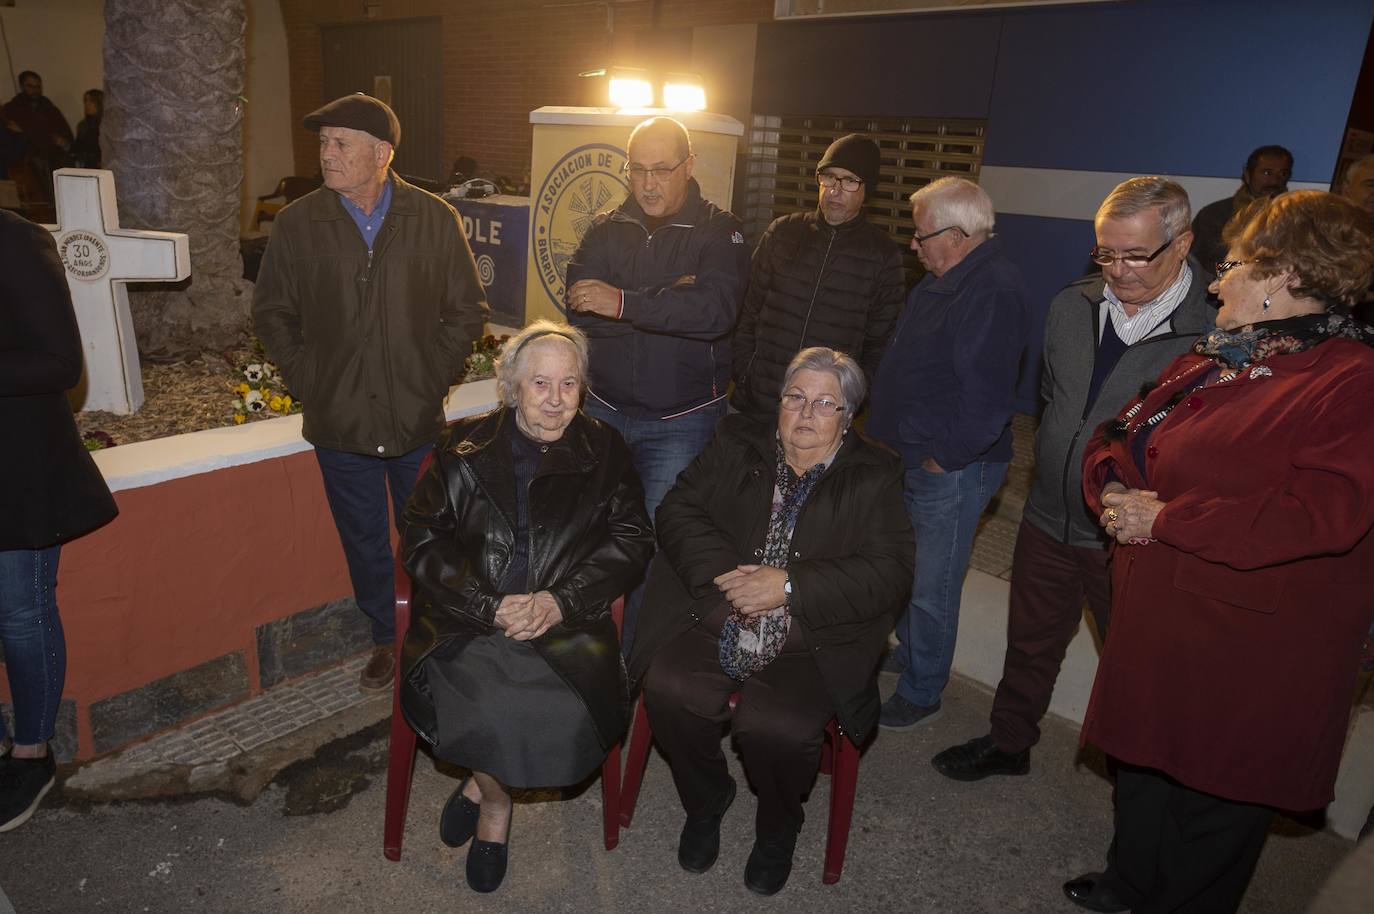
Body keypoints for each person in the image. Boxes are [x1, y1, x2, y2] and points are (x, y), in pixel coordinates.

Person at [1065, 190, 1374, 914]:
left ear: (1286, 276)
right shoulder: (1218, 360)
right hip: (1163, 613)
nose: (1212, 281)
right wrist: (1111, 490)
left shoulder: (1352, 381)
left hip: (1250, 646)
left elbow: (1324, 514)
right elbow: (1119, 432)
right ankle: (1130, 883)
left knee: (1214, 803)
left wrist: (1169, 519)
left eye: (1231, 265)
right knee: (1144, 764)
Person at [931, 177, 1214, 780]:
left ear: (1183, 243)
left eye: (1138, 254)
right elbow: (1054, 401)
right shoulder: (1071, 306)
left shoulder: (1215, 336)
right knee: (1030, 642)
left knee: (1134, 661)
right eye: (1105, 253)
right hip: (1048, 515)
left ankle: (1135, 775)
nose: (1119, 270)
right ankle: (1009, 742)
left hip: (1132, 535)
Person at [629, 347, 914, 896]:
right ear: (779, 402)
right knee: (668, 689)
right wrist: (733, 579)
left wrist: (785, 586)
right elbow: (678, 510)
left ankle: (779, 828)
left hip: (814, 634)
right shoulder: (737, 440)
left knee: (775, 728)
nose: (806, 414)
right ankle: (707, 799)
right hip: (721, 607)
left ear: (847, 416)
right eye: (796, 397)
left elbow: (888, 571)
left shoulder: (875, 473)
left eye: (825, 403)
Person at [398, 321, 654, 894]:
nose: (556, 400)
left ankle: (479, 784)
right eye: (540, 384)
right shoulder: (459, 446)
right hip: (469, 619)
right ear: (510, 386)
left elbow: (634, 538)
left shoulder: (604, 448)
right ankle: (495, 806)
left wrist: (562, 601)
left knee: (551, 715)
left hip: (566, 626)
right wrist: (486, 603)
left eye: (569, 385)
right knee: (485, 706)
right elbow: (420, 538)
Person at [253, 93, 487, 692]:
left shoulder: (434, 218)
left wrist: (428, 378)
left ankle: (432, 634)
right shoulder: (298, 223)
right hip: (340, 428)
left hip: (414, 422)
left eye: (340, 144)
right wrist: (312, 381)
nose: (326, 155)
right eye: (323, 143)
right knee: (363, 541)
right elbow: (273, 313)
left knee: (428, 536)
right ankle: (387, 637)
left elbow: (465, 312)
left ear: (382, 154)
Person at [565, 115, 749, 652]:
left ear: (689, 167)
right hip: (603, 411)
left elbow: (714, 312)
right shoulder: (606, 226)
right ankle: (585, 645)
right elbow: (580, 305)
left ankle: (633, 661)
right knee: (589, 537)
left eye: (662, 170)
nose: (648, 183)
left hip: (681, 423)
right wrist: (672, 295)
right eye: (637, 170)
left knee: (654, 546)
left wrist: (624, 299)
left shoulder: (720, 231)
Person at [866, 177, 1031, 729]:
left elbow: (985, 400)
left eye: (921, 236)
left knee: (934, 584)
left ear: (958, 235)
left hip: (952, 467)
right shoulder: (949, 278)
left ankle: (922, 688)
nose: (914, 246)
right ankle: (913, 655)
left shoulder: (991, 291)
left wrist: (942, 459)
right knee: (914, 571)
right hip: (915, 456)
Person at [0, 210, 118, 830]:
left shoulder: (16, 241)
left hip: (14, 470)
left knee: (20, 612)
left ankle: (32, 753)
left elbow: (60, 363)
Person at [729, 133, 903, 421]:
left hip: (822, 415)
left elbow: (880, 344)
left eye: (849, 181)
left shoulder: (883, 256)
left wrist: (851, 399)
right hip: (757, 403)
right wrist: (746, 373)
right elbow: (746, 311)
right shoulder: (782, 232)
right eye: (829, 177)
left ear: (867, 190)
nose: (834, 190)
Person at [1190, 144, 1292, 280]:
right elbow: (1198, 264)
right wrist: (1248, 269)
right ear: (1248, 174)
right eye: (1267, 173)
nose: (1275, 180)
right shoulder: (1213, 215)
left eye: (1283, 174)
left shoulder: (1296, 218)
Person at [1, 71, 72, 200]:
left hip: (52, 158)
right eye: (30, 86)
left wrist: (63, 141)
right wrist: (29, 134)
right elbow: (13, 138)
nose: (35, 90)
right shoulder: (12, 109)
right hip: (26, 165)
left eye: (38, 86)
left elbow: (62, 134)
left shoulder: (48, 107)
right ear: (22, 87)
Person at [69, 89, 103, 169]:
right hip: (85, 166)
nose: (87, 104)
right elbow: (77, 148)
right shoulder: (83, 125)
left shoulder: (106, 125)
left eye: (91, 101)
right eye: (85, 101)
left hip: (102, 167)